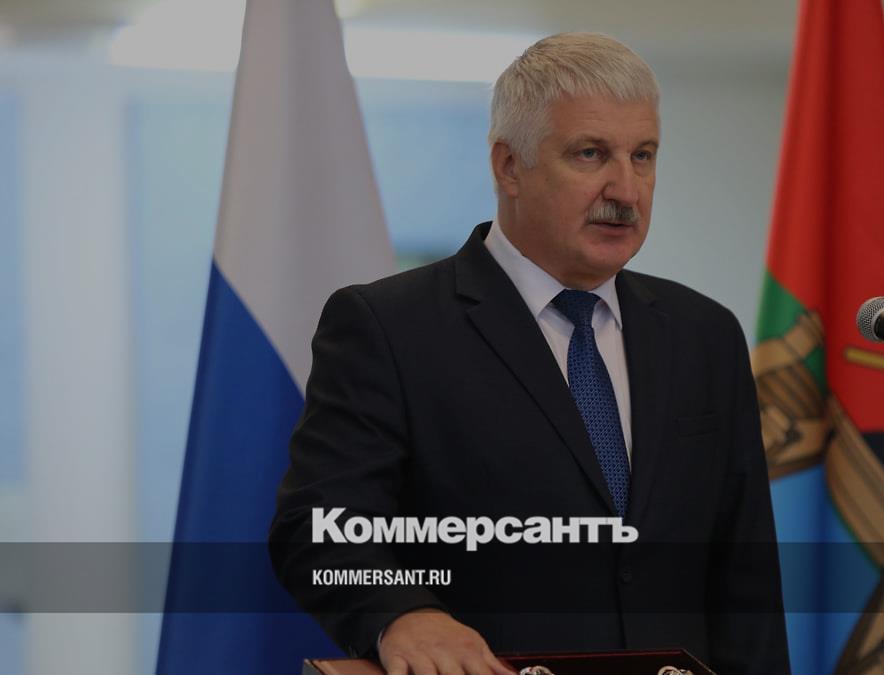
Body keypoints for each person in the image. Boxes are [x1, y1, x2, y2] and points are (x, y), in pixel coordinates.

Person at [269, 32, 790, 675]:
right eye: (590, 154)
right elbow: (319, 527)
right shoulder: (389, 327)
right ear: (509, 166)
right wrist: (402, 614)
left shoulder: (704, 334)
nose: (626, 190)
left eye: (643, 156)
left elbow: (747, 581)